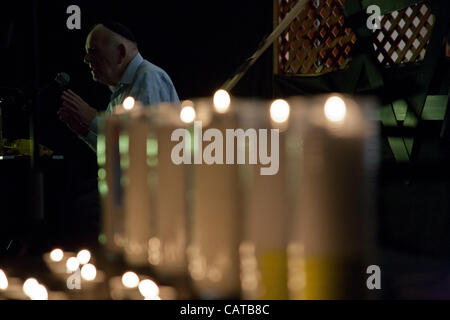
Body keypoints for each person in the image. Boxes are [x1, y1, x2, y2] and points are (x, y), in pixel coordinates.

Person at [58, 22, 179, 152]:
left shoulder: (148, 76)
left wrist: (93, 118)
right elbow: (118, 153)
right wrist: (84, 132)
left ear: (121, 52)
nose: (86, 59)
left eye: (93, 51)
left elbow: (145, 141)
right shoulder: (121, 89)